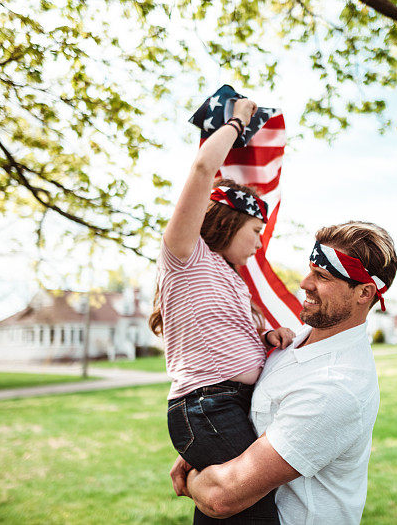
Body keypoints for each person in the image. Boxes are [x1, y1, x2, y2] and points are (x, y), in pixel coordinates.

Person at [170, 221, 397, 524]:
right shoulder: (298, 340)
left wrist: (195, 476)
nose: (305, 283)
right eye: (310, 269)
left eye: (322, 275)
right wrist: (204, 445)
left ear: (364, 292)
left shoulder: (337, 386)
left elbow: (222, 497)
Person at [150, 97, 295, 524]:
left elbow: (223, 335)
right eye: (255, 231)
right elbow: (200, 171)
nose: (258, 243)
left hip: (227, 404)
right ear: (229, 222)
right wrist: (236, 122)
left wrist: (264, 338)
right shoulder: (185, 256)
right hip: (207, 405)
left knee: (230, 515)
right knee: (253, 510)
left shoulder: (232, 277)